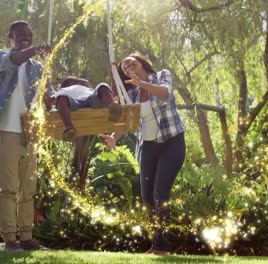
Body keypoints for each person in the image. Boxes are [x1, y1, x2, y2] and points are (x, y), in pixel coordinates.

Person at [102, 54, 186, 255]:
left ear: (142, 63)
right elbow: (128, 120)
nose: (129, 66)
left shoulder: (161, 76)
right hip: (148, 148)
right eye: (125, 67)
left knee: (160, 193)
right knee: (147, 198)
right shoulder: (130, 93)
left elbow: (165, 93)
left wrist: (143, 83)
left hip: (171, 143)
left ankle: (162, 247)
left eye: (132, 62)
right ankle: (156, 243)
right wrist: (114, 137)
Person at [0, 20, 52, 251]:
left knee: (28, 190)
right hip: (7, 131)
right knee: (9, 188)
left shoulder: (36, 67)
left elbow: (45, 97)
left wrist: (49, 86)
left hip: (29, 133)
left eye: (29, 35)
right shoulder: (0, 57)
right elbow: (14, 60)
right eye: (21, 34)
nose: (26, 37)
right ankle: (10, 239)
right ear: (10, 35)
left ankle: (26, 237)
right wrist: (35, 49)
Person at [51, 76, 122, 141]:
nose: (79, 80)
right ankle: (69, 129)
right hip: (73, 103)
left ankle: (113, 108)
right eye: (76, 80)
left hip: (91, 99)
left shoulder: (91, 90)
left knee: (102, 87)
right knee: (61, 98)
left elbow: (109, 93)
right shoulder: (63, 90)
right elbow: (52, 99)